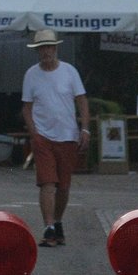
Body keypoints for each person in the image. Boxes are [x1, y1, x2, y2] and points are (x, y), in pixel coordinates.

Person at [20, 30, 90, 247]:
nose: (46, 51)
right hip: (43, 137)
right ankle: (49, 226)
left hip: (67, 136)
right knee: (47, 183)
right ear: (38, 51)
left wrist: (85, 128)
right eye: (42, 48)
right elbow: (27, 107)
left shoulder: (69, 71)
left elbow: (81, 101)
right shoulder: (31, 74)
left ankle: (57, 221)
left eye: (49, 47)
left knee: (64, 186)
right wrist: (34, 133)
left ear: (55, 48)